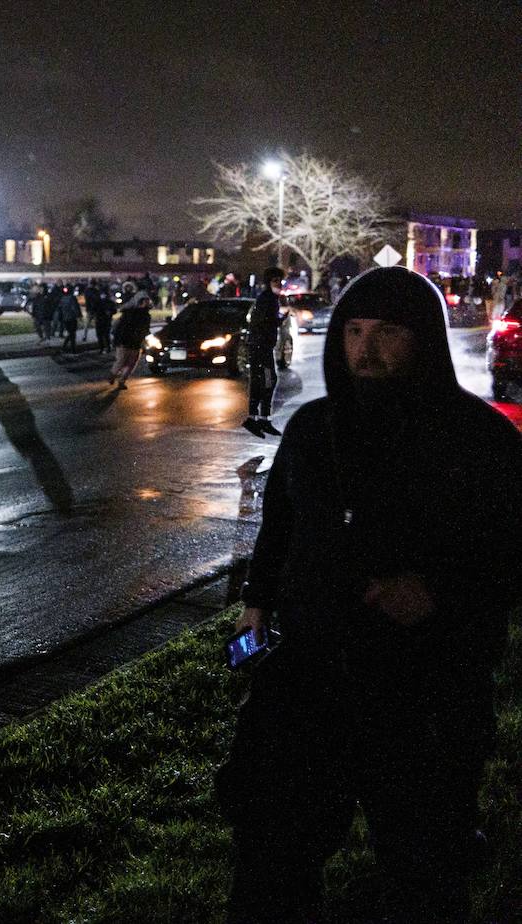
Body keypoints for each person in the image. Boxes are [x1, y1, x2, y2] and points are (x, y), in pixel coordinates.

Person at [217, 266, 522, 923]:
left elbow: (508, 554)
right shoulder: (312, 430)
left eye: (387, 332)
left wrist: (439, 593)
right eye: (354, 331)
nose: (366, 347)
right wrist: (257, 604)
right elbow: (281, 524)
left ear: (423, 340)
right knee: (273, 850)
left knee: (423, 867)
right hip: (311, 676)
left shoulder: (481, 440)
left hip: (428, 688)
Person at [241, 267, 286, 438]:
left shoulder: (269, 299)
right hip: (261, 347)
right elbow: (263, 321)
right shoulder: (268, 299)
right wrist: (279, 319)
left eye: (280, 281)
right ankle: (258, 418)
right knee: (267, 381)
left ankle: (260, 418)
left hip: (261, 346)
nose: (279, 284)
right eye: (276, 281)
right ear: (269, 282)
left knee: (263, 381)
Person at [109, 293, 152, 390]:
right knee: (127, 362)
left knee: (126, 362)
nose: (146, 303)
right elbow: (144, 329)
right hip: (130, 341)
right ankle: (118, 378)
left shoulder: (129, 313)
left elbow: (119, 327)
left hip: (129, 341)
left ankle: (117, 377)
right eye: (145, 301)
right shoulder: (142, 315)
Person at [87, 284, 113, 353]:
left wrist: (110, 312)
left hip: (105, 320)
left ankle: (107, 348)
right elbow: (93, 309)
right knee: (100, 335)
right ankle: (102, 348)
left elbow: (113, 310)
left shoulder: (108, 302)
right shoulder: (97, 301)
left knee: (105, 335)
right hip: (100, 320)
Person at [59, 284, 82, 352]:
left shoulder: (62, 298)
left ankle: (65, 347)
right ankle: (72, 348)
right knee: (72, 333)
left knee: (70, 333)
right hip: (71, 317)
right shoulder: (72, 298)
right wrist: (79, 315)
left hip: (65, 318)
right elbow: (74, 308)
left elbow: (60, 308)